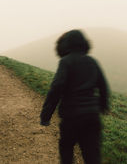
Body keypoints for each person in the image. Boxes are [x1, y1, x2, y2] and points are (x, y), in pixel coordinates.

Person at [40, 30, 110, 164]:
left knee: (66, 150)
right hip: (91, 117)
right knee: (92, 156)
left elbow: (56, 88)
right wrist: (103, 106)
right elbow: (103, 86)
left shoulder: (66, 62)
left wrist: (46, 115)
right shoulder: (92, 62)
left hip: (71, 117)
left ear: (67, 44)